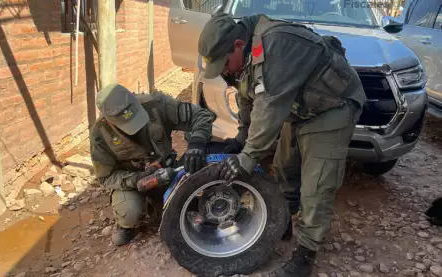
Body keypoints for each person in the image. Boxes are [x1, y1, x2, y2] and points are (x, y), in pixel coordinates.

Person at [198, 13, 366, 276]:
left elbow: (269, 108)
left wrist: (247, 157)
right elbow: (247, 97)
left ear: (238, 46)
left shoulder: (275, 43)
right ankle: (283, 222)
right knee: (285, 169)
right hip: (299, 108)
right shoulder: (243, 57)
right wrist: (242, 138)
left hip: (333, 107)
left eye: (224, 63)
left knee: (316, 184)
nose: (225, 71)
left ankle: (305, 255)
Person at [90, 83, 215, 246]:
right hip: (134, 182)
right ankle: (128, 225)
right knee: (129, 213)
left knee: (182, 209)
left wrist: (197, 144)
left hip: (167, 171)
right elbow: (106, 177)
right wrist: (136, 179)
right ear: (108, 120)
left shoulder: (156, 104)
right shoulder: (100, 134)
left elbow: (202, 116)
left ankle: (158, 205)